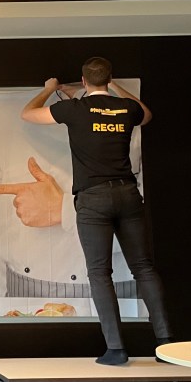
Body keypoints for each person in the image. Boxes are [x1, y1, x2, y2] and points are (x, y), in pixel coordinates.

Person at [20, 57, 172, 365]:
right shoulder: (126, 109)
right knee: (144, 268)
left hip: (93, 198)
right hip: (128, 194)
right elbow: (146, 115)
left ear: (83, 81)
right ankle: (166, 344)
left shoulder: (74, 109)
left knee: (100, 273)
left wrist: (49, 89)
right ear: (109, 79)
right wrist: (116, 88)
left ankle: (116, 349)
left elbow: (28, 113)